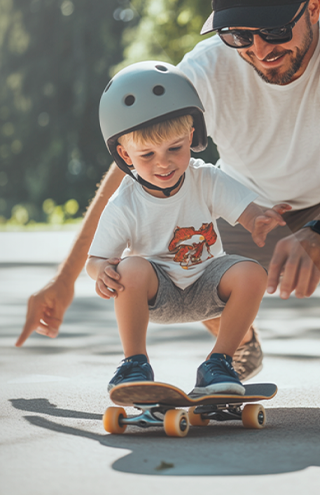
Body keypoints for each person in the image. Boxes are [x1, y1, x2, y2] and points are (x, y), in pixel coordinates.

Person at [18, 0, 320, 407]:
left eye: (275, 29)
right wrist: (65, 279)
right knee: (158, 222)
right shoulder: (205, 69)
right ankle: (235, 347)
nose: (259, 48)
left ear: (314, 8)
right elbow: (131, 173)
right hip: (242, 214)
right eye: (238, 35)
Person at [81, 61, 287, 397]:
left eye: (174, 149)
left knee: (251, 273)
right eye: (147, 154)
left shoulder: (205, 178)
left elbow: (247, 211)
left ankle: (218, 363)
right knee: (130, 267)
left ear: (191, 137)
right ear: (125, 154)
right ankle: (134, 364)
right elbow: (96, 260)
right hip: (157, 292)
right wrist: (101, 271)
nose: (163, 163)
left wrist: (259, 220)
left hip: (208, 284)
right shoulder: (124, 203)